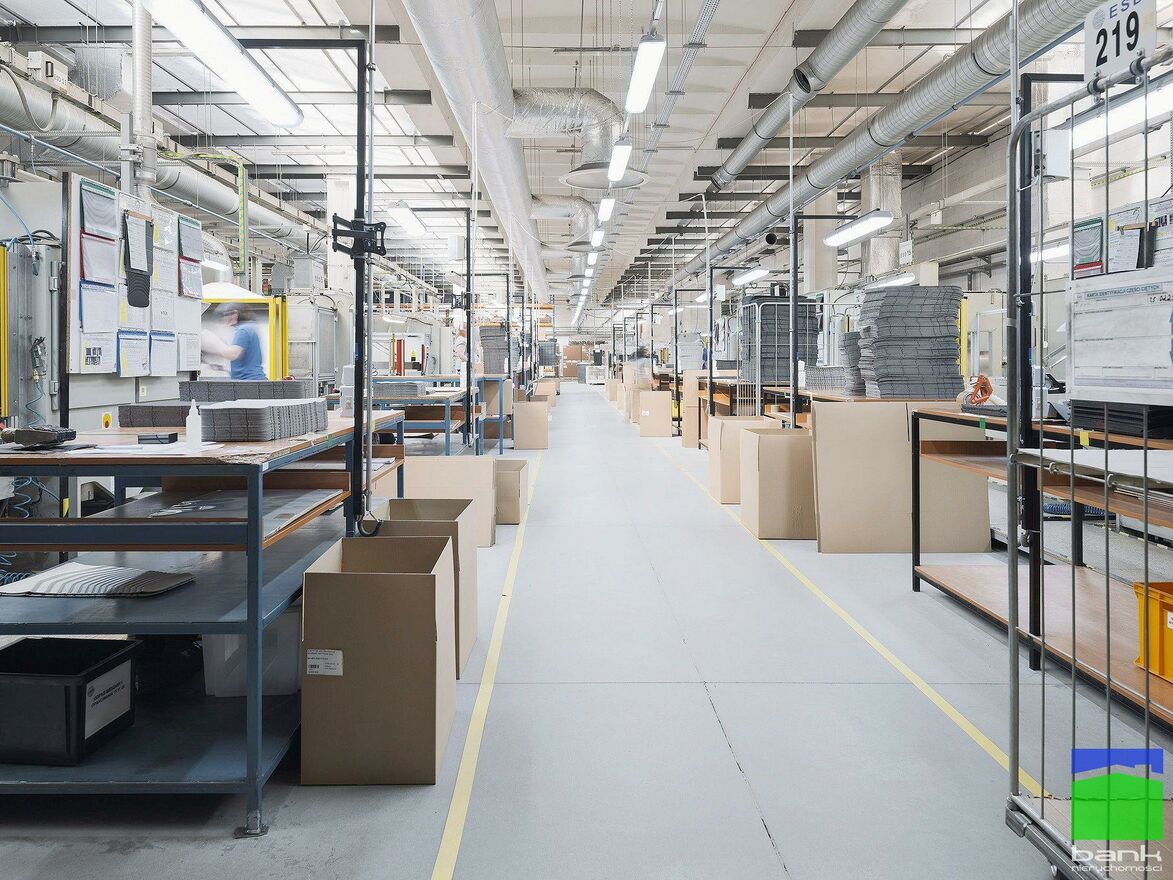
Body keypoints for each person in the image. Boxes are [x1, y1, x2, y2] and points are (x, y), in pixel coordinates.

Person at [202, 303, 266, 380]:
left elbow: (232, 354)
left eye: (228, 314)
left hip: (250, 381)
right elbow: (247, 361)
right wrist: (223, 368)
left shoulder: (243, 330)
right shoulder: (249, 328)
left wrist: (212, 339)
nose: (226, 318)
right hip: (252, 380)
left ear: (237, 314)